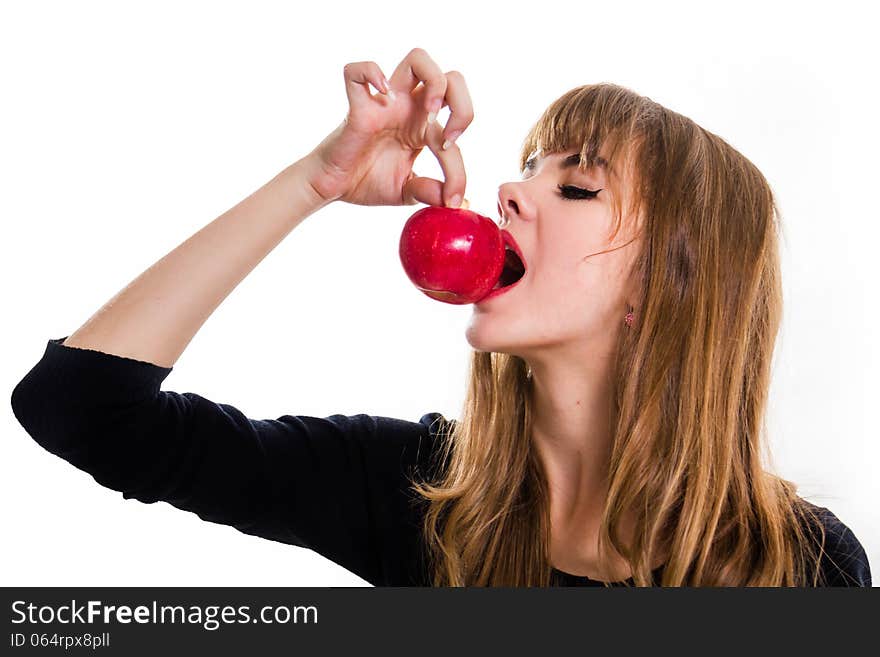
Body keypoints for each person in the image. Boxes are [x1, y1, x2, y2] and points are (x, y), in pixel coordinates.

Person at [10, 48, 871, 587]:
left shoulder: (800, 568)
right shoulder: (421, 496)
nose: (507, 191)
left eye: (574, 184)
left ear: (666, 286)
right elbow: (80, 407)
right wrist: (316, 182)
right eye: (529, 166)